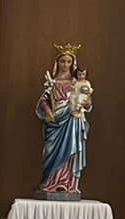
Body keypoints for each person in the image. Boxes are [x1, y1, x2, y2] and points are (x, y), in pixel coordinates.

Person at [37, 46, 92, 197]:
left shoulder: (76, 83)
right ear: (57, 63)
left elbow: (87, 102)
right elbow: (43, 101)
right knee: (50, 150)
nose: (65, 65)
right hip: (55, 121)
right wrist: (48, 111)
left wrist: (86, 103)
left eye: (68, 61)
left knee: (71, 150)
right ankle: (50, 181)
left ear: (73, 64)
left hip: (72, 120)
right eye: (62, 61)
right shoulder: (52, 82)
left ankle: (67, 184)